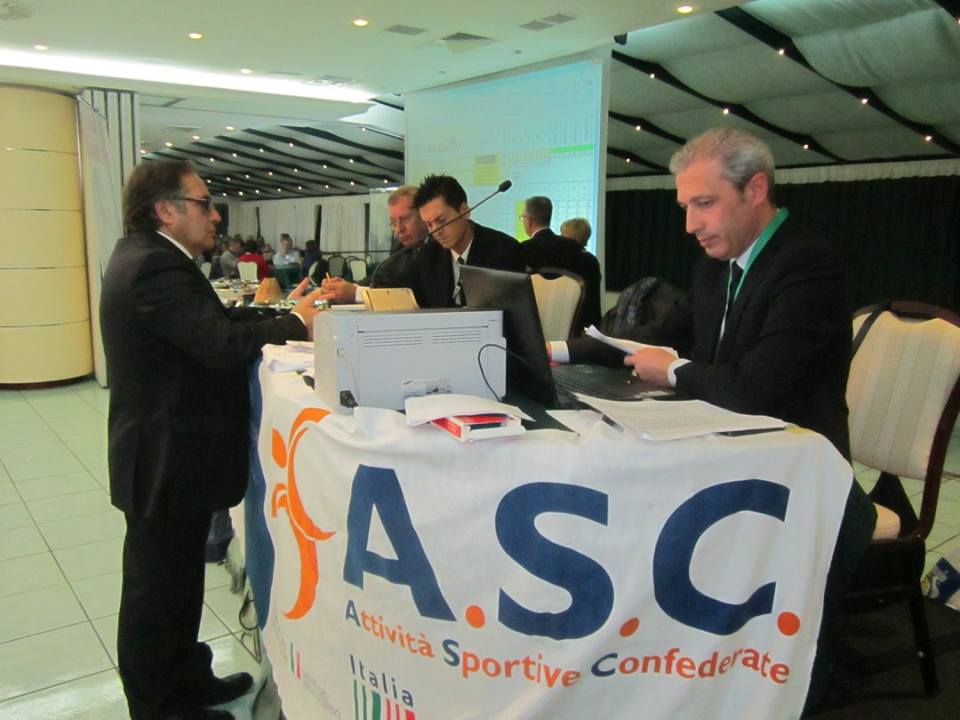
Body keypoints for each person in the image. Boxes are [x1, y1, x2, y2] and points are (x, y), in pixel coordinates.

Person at [620, 128, 876, 706]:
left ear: (755, 189)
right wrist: (560, 349)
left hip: (797, 474)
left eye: (704, 204)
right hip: (731, 455)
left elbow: (755, 389)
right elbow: (657, 336)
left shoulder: (807, 264)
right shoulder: (716, 265)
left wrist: (674, 370)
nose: (691, 224)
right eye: (685, 207)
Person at [100, 159, 328, 720]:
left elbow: (212, 323)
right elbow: (219, 345)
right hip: (162, 454)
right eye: (203, 203)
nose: (215, 215)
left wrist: (280, 313)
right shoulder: (153, 266)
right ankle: (162, 706)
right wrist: (295, 323)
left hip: (168, 451)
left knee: (178, 582)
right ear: (165, 210)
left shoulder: (153, 257)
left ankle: (187, 679)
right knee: (156, 592)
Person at [408, 174, 525, 308]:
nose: (436, 231)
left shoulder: (504, 250)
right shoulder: (427, 257)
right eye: (429, 225)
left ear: (464, 211)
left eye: (441, 221)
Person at [321, 185, 429, 303]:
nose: (399, 229)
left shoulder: (437, 248)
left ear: (424, 216)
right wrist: (344, 288)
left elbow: (414, 295)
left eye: (405, 219)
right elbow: (381, 280)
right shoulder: (402, 249)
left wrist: (357, 293)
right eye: (393, 223)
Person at [518, 196, 602, 328]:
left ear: (528, 220)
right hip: (579, 332)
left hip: (536, 329)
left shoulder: (522, 251)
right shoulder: (586, 257)